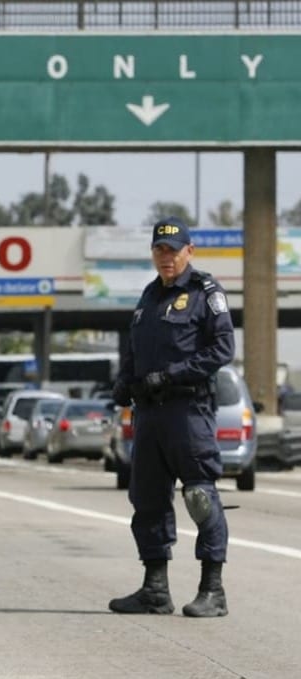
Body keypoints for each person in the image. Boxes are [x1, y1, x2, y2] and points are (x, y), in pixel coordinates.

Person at [109, 216, 234, 618]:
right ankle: (154, 590)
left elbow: (222, 349)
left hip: (187, 410)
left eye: (174, 250)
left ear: (189, 252)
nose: (167, 257)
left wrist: (174, 374)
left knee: (199, 496)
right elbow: (135, 349)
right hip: (149, 414)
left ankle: (212, 590)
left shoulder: (205, 292)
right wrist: (124, 381)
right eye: (160, 250)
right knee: (146, 498)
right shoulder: (148, 296)